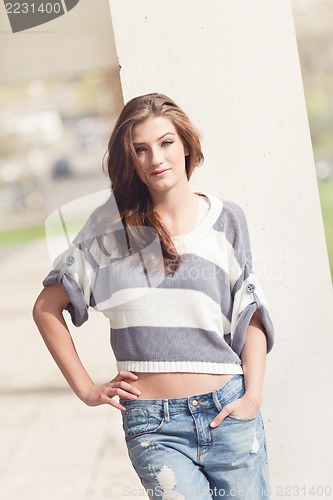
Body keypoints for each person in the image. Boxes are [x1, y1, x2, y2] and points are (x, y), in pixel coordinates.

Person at [33, 93, 274, 499]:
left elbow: (249, 312)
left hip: (228, 412)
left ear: (185, 145)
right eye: (140, 150)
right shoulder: (109, 227)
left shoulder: (227, 219)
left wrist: (253, 396)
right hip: (154, 427)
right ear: (130, 160)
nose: (155, 158)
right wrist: (87, 389)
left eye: (165, 143)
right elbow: (47, 308)